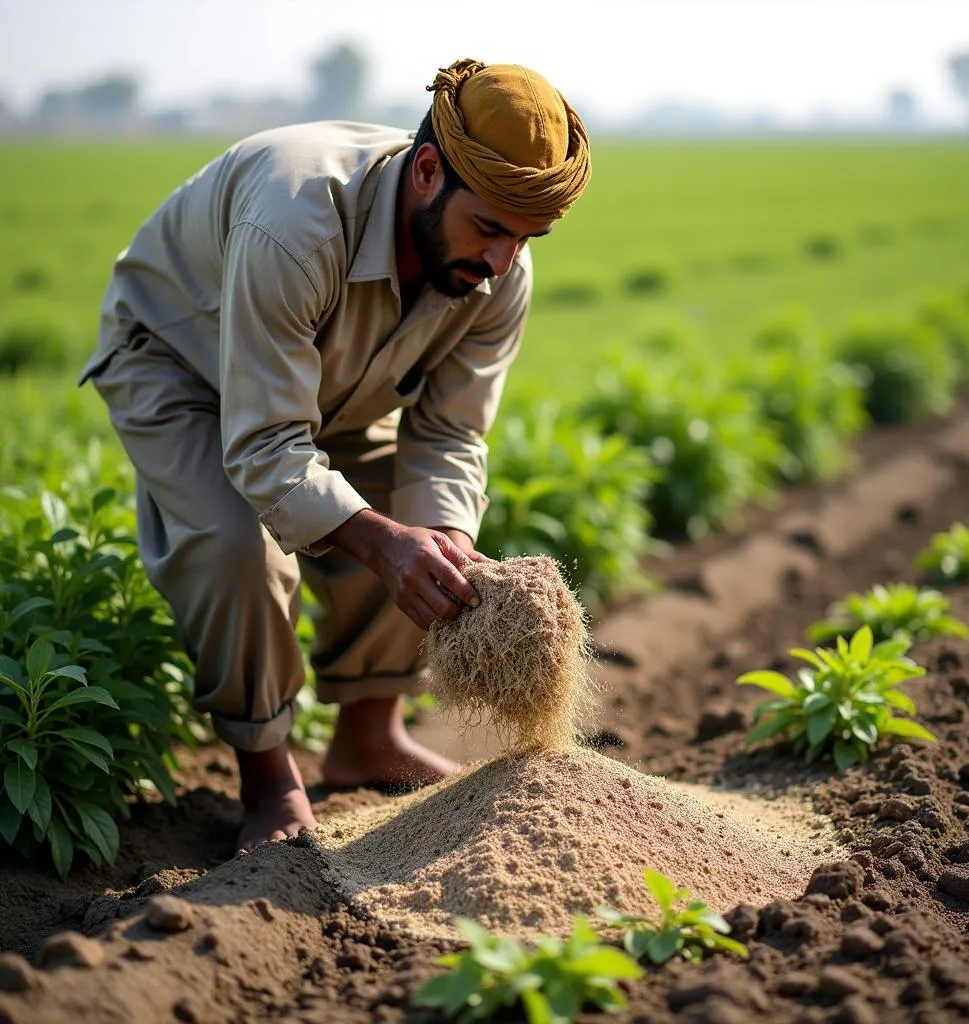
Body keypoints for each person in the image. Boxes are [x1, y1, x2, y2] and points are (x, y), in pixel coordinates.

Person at [78, 59, 592, 852]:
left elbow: (450, 434)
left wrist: (441, 542)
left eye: (526, 239)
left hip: (338, 382)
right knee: (233, 544)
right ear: (426, 171)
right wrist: (381, 539)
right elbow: (263, 446)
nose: (501, 263)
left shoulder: (500, 271)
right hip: (185, 363)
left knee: (418, 528)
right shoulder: (294, 223)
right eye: (491, 229)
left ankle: (367, 736)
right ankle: (267, 776)